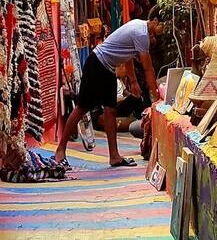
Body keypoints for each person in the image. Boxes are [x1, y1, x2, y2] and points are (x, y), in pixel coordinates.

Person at [55, 18, 163, 167]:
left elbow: (128, 55)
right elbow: (148, 68)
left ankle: (114, 156)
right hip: (97, 63)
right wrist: (156, 96)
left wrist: (133, 81)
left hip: (108, 68)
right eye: (153, 33)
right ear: (153, 21)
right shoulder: (141, 34)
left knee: (111, 110)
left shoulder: (139, 26)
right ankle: (61, 149)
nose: (152, 38)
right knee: (82, 108)